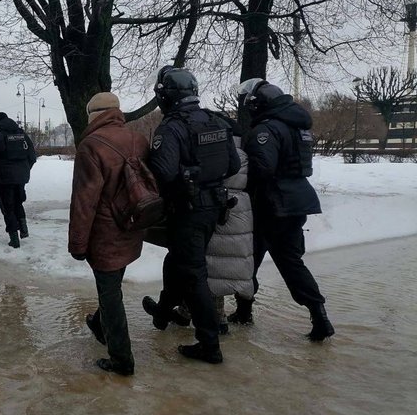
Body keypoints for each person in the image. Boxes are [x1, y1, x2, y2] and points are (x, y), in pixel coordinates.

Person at [142, 67, 240, 364]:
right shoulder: (215, 120)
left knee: (194, 275)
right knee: (178, 262)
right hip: (213, 208)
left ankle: (209, 344)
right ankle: (163, 312)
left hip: (188, 211)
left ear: (166, 96)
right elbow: (233, 166)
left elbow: (163, 173)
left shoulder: (172, 128)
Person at [233, 78, 335, 341]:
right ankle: (319, 315)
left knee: (248, 261)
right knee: (291, 262)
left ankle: (244, 312)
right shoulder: (296, 126)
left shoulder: (267, 129)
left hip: (271, 205)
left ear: (258, 104)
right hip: (296, 202)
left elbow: (262, 168)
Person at [69, 92, 150, 376]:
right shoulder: (138, 138)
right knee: (112, 285)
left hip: (105, 234)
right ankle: (99, 325)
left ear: (93, 116)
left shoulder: (91, 146)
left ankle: (121, 360)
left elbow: (84, 202)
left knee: (110, 293)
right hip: (132, 226)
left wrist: (78, 244)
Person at [168, 115, 255, 335]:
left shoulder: (219, 151)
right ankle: (190, 312)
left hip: (218, 210)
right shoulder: (243, 154)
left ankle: (217, 320)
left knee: (210, 267)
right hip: (238, 213)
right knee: (217, 267)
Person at [0, 111, 36, 249]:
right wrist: (24, 170)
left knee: (7, 206)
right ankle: (23, 228)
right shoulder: (22, 134)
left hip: (4, 177)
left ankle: (14, 238)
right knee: (18, 202)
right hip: (21, 176)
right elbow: (32, 156)